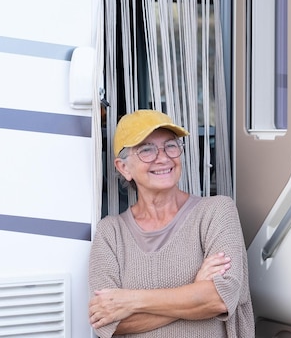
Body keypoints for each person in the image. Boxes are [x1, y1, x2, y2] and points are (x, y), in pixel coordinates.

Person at [88, 109, 255, 337]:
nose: (164, 157)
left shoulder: (216, 212)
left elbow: (218, 299)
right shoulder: (110, 233)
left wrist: (130, 301)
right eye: (146, 149)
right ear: (124, 167)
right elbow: (107, 323)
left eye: (171, 146)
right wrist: (194, 293)